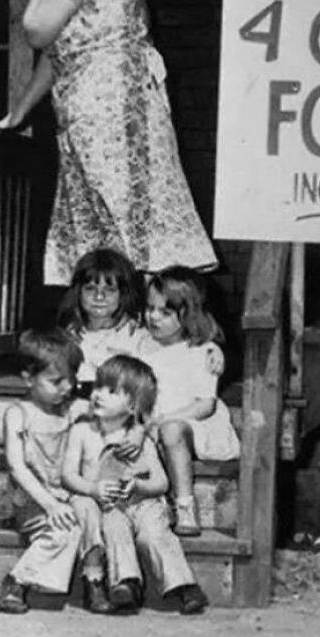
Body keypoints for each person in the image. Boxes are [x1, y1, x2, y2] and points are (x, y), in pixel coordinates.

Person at [0, 0, 217, 285]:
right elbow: (59, 53)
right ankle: (119, 315)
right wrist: (19, 111)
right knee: (112, 218)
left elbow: (37, 31)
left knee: (123, 216)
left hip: (109, 108)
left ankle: (140, 316)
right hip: (102, 105)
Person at [63, 354, 209, 614]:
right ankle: (126, 583)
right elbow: (69, 476)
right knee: (114, 527)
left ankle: (185, 586)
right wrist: (93, 489)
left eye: (110, 391)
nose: (97, 394)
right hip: (109, 505)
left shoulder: (140, 440)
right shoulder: (82, 432)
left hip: (143, 503)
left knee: (155, 535)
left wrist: (140, 487)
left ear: (132, 406)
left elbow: (162, 482)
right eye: (97, 387)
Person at [0, 328, 107, 614]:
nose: (66, 387)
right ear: (28, 377)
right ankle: (16, 581)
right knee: (63, 532)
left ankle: (94, 579)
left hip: (68, 495)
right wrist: (50, 504)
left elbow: (118, 409)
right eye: (56, 381)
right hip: (34, 501)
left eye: (71, 379)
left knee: (90, 510)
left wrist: (134, 434)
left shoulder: (73, 409)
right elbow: (17, 466)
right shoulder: (19, 414)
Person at [141, 266, 240, 537]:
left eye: (165, 312)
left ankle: (185, 506)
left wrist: (168, 418)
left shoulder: (200, 352)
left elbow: (205, 405)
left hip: (195, 427)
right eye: (150, 308)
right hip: (154, 425)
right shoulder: (143, 345)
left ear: (188, 313)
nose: (153, 317)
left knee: (170, 431)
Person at [57, 247, 152, 393]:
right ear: (78, 292)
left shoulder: (139, 338)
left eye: (109, 290)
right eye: (90, 288)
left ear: (123, 294)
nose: (99, 297)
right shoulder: (67, 336)